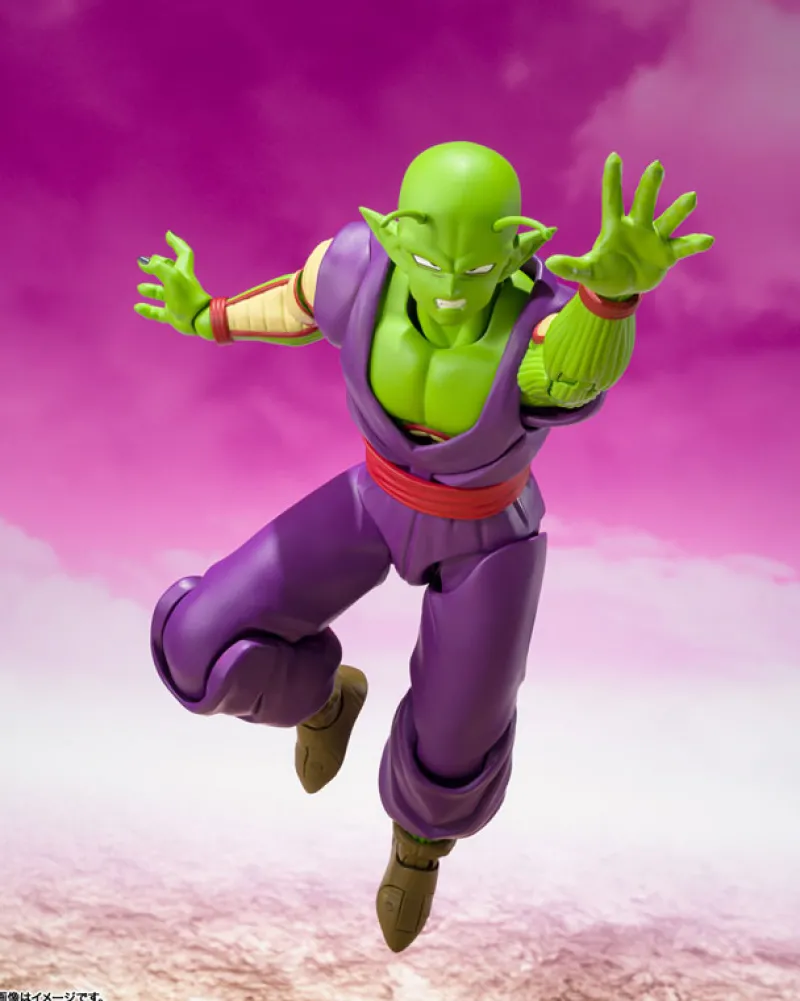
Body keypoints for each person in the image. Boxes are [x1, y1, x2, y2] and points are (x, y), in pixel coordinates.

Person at [135, 142, 713, 952]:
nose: (448, 289)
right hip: (374, 496)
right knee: (199, 645)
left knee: (454, 745)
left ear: (517, 249)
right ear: (393, 231)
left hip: (486, 533)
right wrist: (209, 314)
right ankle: (323, 699)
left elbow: (572, 374)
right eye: (430, 261)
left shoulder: (537, 327)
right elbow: (299, 302)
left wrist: (611, 298)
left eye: (473, 270)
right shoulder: (356, 268)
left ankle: (417, 847)